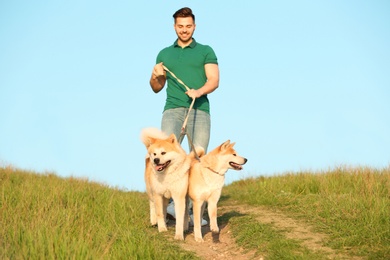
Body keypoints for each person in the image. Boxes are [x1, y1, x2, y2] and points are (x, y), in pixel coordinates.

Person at [149, 7, 219, 226]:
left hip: (200, 110)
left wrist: (199, 91)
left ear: (194, 26)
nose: (184, 30)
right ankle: (166, 207)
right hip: (172, 109)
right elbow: (156, 87)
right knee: (165, 158)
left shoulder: (206, 51)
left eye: (188, 26)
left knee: (197, 159)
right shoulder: (164, 54)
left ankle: (192, 210)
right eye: (180, 26)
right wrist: (155, 77)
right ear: (174, 27)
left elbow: (214, 80)